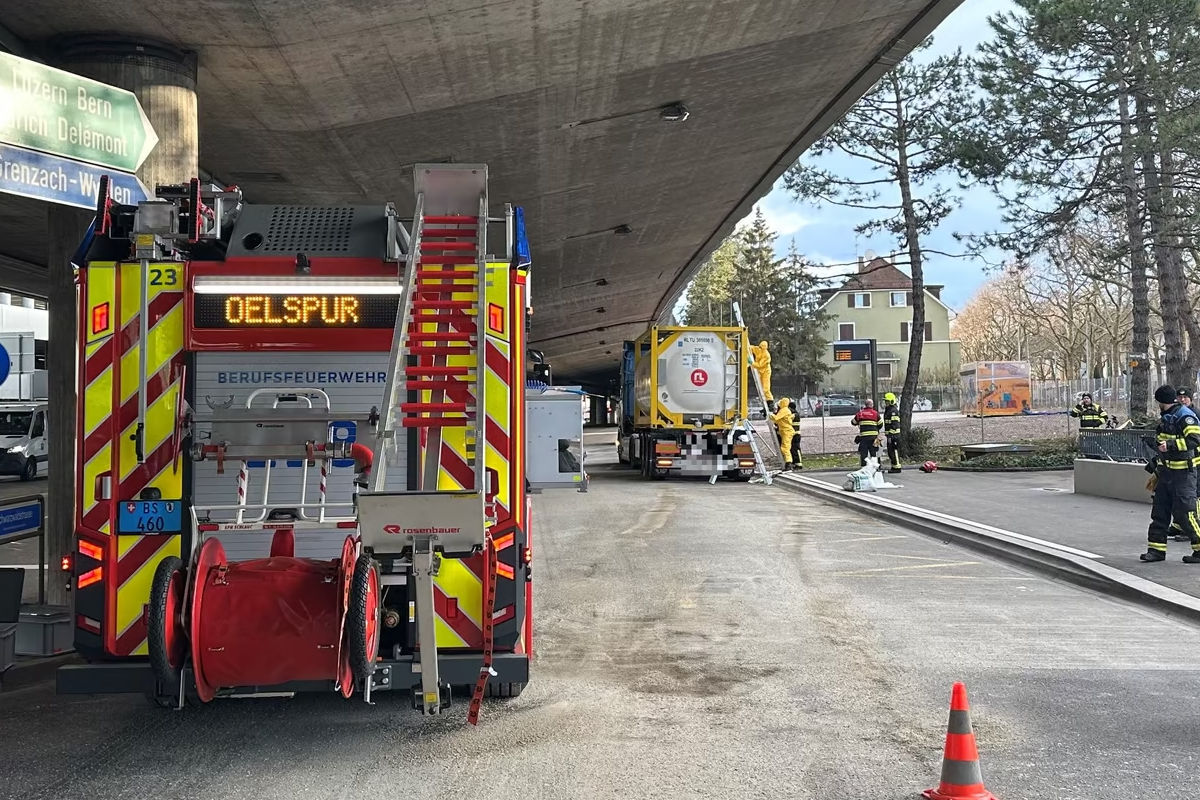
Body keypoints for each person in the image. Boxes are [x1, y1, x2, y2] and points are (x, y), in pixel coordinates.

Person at [1141, 384, 1200, 563]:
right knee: (1160, 512)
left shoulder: (1185, 416)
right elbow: (1163, 442)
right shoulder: (1167, 417)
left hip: (1183, 473)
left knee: (1186, 513)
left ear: (1161, 401)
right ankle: (1156, 551)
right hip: (1167, 472)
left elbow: (1194, 440)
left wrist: (1170, 446)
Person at [851, 398, 883, 467]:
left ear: (865, 405)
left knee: (864, 454)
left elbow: (853, 422)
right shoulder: (876, 413)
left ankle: (864, 468)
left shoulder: (860, 413)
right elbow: (880, 424)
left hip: (864, 438)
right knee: (874, 453)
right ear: (872, 405)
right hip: (874, 438)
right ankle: (876, 467)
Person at [770, 398, 798, 470]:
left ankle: (788, 463)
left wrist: (770, 414)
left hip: (787, 431)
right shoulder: (784, 410)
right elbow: (779, 420)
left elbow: (776, 418)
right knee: (785, 447)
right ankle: (788, 463)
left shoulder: (784, 410)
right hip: (785, 431)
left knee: (785, 448)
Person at [748, 340, 774, 406]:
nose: (760, 348)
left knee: (766, 388)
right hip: (759, 371)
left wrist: (752, 363)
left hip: (766, 372)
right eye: (760, 347)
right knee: (761, 387)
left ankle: (770, 402)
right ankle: (764, 401)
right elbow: (751, 348)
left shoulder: (767, 355)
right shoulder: (758, 349)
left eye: (761, 347)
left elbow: (760, 365)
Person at [882, 392, 902, 474]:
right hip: (890, 435)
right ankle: (894, 466)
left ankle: (897, 467)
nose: (885, 403)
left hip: (894, 435)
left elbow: (894, 425)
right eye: (885, 401)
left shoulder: (893, 411)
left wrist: (890, 435)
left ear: (891, 401)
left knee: (894, 451)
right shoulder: (888, 410)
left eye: (887, 401)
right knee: (891, 451)